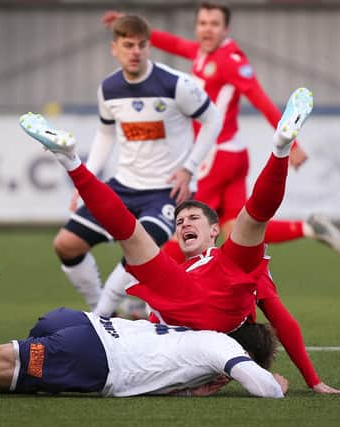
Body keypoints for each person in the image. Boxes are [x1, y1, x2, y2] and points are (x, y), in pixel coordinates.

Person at [21, 87, 340, 394]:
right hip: (187, 295)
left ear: (213, 231)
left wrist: (313, 380)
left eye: (193, 219)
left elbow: (282, 320)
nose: (184, 223)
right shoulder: (180, 267)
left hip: (225, 291)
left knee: (249, 219)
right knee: (132, 233)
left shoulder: (227, 263)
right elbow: (156, 333)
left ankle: (280, 147)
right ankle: (70, 159)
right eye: (179, 221)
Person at [0, 233, 286, 398]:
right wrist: (274, 381)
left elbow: (183, 381)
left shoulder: (187, 335)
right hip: (95, 356)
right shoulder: (217, 345)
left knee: (18, 379)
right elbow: (262, 388)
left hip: (81, 326)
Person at [102, 5, 340, 253]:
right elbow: (176, 44)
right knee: (236, 230)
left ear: (226, 29)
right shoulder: (203, 53)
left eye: (214, 24)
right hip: (233, 156)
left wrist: (292, 144)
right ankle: (309, 228)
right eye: (202, 23)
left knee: (183, 233)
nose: (207, 30)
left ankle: (136, 289)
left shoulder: (229, 60)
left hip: (214, 157)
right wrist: (131, 26)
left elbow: (259, 98)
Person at [51, 14, 222, 313]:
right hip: (124, 186)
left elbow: (213, 119)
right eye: (128, 45)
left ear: (149, 47)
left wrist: (189, 167)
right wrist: (86, 182)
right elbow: (106, 134)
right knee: (66, 245)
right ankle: (104, 309)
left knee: (136, 254)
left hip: (166, 192)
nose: (136, 52)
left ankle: (99, 320)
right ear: (114, 48)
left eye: (142, 45)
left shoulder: (176, 84)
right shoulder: (109, 89)